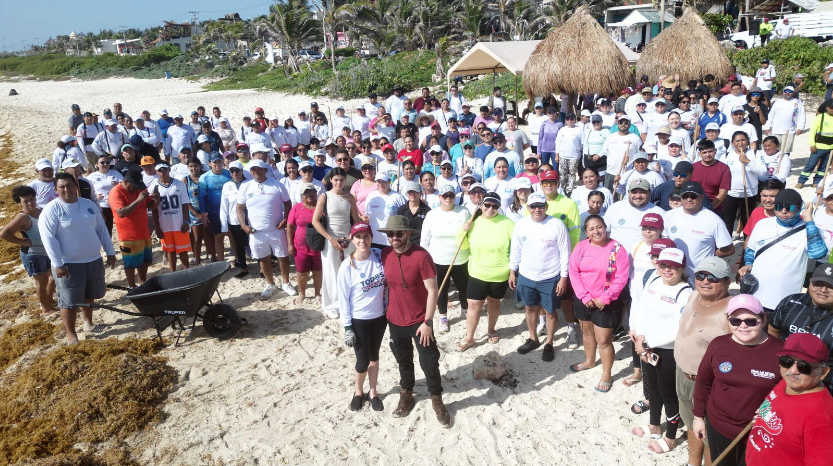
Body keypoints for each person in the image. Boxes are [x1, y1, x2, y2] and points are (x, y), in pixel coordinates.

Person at [691, 294, 783, 466]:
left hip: (758, 431)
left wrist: (774, 411)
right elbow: (703, 382)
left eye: (751, 321)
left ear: (763, 320)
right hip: (718, 426)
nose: (743, 326)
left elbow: (789, 393)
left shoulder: (780, 352)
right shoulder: (718, 345)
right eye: (735, 321)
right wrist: (698, 418)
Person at [377, 216, 448, 425]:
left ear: (408, 233)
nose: (394, 237)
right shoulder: (385, 254)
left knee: (429, 363)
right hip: (394, 319)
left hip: (420, 322)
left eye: (399, 233)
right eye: (390, 234)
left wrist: (428, 322)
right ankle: (406, 393)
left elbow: (433, 290)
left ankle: (437, 399)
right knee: (403, 360)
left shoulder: (422, 256)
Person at [39, 173, 117, 344]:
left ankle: (88, 323)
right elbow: (48, 239)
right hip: (68, 263)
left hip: (93, 259)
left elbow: (101, 229)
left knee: (90, 294)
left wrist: (110, 251)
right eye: (62, 186)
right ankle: (71, 334)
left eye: (70, 185)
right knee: (68, 301)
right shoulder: (51, 209)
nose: (66, 189)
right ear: (56, 189)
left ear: (76, 186)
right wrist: (58, 264)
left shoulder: (88, 204)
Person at [628, 248, 691, 454]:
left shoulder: (685, 292)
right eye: (663, 265)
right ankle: (654, 425)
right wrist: (640, 336)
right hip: (647, 346)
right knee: (652, 389)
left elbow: (680, 328)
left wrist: (647, 343)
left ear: (682, 268)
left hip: (667, 351)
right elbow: (641, 309)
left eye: (673, 266)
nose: (667, 269)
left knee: (668, 394)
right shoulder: (654, 281)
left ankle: (670, 437)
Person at [745, 334, 833, 465]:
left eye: (804, 366)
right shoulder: (787, 383)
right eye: (786, 361)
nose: (792, 371)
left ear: (824, 372)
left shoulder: (822, 418)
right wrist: (764, 418)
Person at [569, 215, 630, 392]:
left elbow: (621, 277)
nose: (596, 231)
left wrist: (605, 298)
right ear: (586, 232)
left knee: (603, 340)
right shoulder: (581, 247)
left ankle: (606, 374)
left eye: (599, 227)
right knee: (587, 333)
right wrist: (584, 296)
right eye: (591, 228)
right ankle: (589, 361)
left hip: (607, 301)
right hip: (584, 299)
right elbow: (574, 272)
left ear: (605, 227)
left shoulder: (617, 248)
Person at [740, 189, 828, 312]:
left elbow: (817, 253)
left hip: (784, 299)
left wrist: (809, 219)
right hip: (755, 293)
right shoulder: (762, 224)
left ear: (799, 207)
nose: (783, 211)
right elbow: (751, 249)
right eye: (779, 207)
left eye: (789, 207)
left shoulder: (809, 230)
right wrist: (748, 264)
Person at [511, 192, 571, 361]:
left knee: (550, 311)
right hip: (526, 275)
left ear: (546, 206)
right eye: (533, 206)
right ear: (528, 207)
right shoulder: (521, 224)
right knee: (530, 308)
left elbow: (565, 252)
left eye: (541, 205)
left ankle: (549, 342)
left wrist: (563, 278)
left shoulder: (556, 224)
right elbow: (515, 249)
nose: (537, 209)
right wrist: (512, 271)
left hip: (550, 277)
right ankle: (533, 338)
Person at [336, 222, 387, 412]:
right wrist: (347, 327)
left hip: (380, 317)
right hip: (359, 320)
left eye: (366, 236)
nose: (362, 240)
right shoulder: (347, 267)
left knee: (374, 356)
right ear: (352, 239)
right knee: (362, 361)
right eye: (358, 237)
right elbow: (343, 299)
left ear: (371, 237)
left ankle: (373, 392)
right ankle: (358, 392)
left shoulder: (379, 255)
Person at [456, 192, 514, 351]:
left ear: (499, 207)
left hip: (500, 273)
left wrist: (512, 271)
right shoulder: (472, 223)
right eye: (487, 205)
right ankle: (469, 338)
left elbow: (516, 248)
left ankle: (491, 329)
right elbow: (463, 246)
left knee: (494, 302)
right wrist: (463, 230)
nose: (490, 208)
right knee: (474, 305)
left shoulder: (508, 223)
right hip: (477, 272)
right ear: (481, 205)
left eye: (495, 206)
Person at [767, 263, 833, 394]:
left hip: (823, 385)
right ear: (810, 283)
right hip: (785, 375)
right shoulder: (790, 302)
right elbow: (773, 331)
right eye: (818, 284)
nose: (823, 290)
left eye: (831, 286)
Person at [236, 159, 297, 298]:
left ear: (265, 170)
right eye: (253, 169)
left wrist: (285, 219)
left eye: (259, 169)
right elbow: (239, 207)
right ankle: (270, 284)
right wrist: (243, 225)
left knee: (283, 257)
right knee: (263, 259)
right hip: (256, 232)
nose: (256, 171)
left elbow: (288, 203)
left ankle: (286, 283)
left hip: (276, 229)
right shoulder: (245, 186)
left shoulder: (277, 185)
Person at [312, 167, 362, 319]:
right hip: (330, 239)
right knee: (331, 271)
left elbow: (356, 220)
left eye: (341, 180)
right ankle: (330, 305)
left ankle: (346, 302)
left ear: (345, 180)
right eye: (336, 180)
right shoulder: (324, 196)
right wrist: (331, 239)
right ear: (331, 180)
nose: (339, 182)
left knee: (348, 271)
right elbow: (315, 221)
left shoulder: (350, 197)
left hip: (347, 240)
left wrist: (350, 236)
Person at [421, 184, 471, 333]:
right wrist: (425, 259)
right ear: (439, 197)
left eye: (451, 195)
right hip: (438, 259)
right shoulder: (432, 214)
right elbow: (425, 239)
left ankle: (465, 309)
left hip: (460, 259)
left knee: (463, 288)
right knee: (441, 290)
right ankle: (443, 316)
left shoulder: (464, 211)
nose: (448, 198)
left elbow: (471, 233)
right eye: (444, 195)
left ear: (455, 196)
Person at [1, 185, 57, 316]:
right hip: (33, 254)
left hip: (47, 251)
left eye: (32, 199)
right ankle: (45, 308)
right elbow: (4, 233)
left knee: (53, 276)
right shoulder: (22, 218)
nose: (30, 203)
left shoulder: (41, 210)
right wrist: (22, 242)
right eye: (25, 201)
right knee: (41, 281)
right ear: (19, 203)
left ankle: (49, 300)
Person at [664, 181, 734, 277]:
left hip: (699, 277)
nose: (689, 199)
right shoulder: (668, 215)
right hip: (673, 275)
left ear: (701, 197)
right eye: (685, 196)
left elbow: (729, 249)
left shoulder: (714, 220)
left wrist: (708, 258)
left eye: (693, 196)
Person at [108, 169, 159, 289]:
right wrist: (138, 200)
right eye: (134, 186)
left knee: (145, 260)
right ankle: (131, 286)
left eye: (138, 186)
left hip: (144, 232)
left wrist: (157, 199)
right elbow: (121, 213)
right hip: (128, 236)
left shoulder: (139, 189)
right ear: (126, 182)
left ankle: (142, 282)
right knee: (130, 263)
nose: (136, 189)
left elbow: (151, 205)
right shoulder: (116, 192)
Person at [150, 162, 192, 272]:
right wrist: (157, 227)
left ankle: (186, 272)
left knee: (183, 251)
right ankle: (173, 273)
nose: (162, 172)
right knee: (170, 251)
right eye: (160, 170)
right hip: (165, 225)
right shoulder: (153, 187)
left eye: (164, 169)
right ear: (156, 172)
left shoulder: (179, 184)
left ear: (169, 169)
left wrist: (186, 221)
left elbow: (185, 204)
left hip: (179, 223)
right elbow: (154, 209)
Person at [286, 183, 323, 305]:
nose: (309, 195)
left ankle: (317, 293)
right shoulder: (296, 207)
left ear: (316, 193)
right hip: (301, 246)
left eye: (312, 192)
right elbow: (290, 226)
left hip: (319, 246)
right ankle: (302, 294)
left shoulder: (322, 206)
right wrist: (290, 244)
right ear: (302, 195)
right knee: (302, 272)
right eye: (306, 193)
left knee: (318, 271)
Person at [722, 131, 766, 235]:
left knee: (747, 220)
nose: (740, 143)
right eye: (737, 141)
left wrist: (748, 161)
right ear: (732, 143)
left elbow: (762, 172)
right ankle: (727, 242)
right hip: (731, 193)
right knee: (728, 220)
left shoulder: (756, 153)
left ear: (747, 141)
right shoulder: (727, 155)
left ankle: (747, 242)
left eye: (743, 140)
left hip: (750, 193)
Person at [198, 154, 232, 262]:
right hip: (214, 211)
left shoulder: (229, 174)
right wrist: (203, 213)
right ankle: (221, 261)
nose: (217, 164)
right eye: (214, 162)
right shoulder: (204, 177)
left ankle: (237, 259)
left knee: (232, 235)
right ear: (209, 163)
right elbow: (201, 197)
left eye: (219, 161)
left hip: (230, 210)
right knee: (218, 236)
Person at [220, 161, 249, 276]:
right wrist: (224, 226)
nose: (234, 173)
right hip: (234, 221)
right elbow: (223, 207)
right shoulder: (226, 186)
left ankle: (262, 269)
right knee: (239, 245)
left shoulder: (249, 183)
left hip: (250, 219)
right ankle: (244, 268)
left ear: (242, 171)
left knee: (254, 244)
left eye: (237, 170)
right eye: (232, 171)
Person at [796, 99, 833, 189]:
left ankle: (817, 181)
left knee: (823, 167)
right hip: (818, 147)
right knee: (811, 165)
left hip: (830, 148)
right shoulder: (820, 117)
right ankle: (801, 181)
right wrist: (812, 144)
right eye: (831, 108)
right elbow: (812, 131)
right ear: (827, 108)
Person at [364, 173, 407, 249]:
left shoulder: (398, 197)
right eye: (378, 181)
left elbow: (405, 217)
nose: (381, 184)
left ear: (389, 181)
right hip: (374, 239)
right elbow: (367, 215)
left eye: (383, 181)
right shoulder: (371, 196)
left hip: (392, 239)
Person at [763, 86, 805, 159]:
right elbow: (771, 115)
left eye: (790, 92)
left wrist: (801, 127)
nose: (787, 93)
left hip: (790, 131)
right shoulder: (777, 102)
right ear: (783, 92)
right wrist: (767, 127)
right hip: (776, 130)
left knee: (786, 150)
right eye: (785, 91)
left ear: (793, 93)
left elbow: (802, 115)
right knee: (775, 148)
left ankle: (785, 162)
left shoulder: (798, 102)